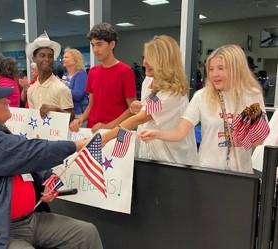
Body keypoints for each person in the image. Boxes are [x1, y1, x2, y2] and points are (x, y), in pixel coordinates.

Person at [0, 77, 103, 249]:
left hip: (28, 220)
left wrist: (49, 180)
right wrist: (76, 145)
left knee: (85, 233)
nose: (7, 100)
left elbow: (25, 162)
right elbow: (29, 152)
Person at [138, 44, 267, 173]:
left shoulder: (252, 95)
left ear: (236, 69)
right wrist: (156, 134)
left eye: (221, 68)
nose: (215, 74)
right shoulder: (201, 96)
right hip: (207, 171)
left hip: (241, 173)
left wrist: (244, 132)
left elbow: (258, 140)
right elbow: (180, 132)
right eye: (211, 69)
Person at [102, 35, 198, 165]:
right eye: (145, 57)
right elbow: (147, 112)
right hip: (149, 153)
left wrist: (104, 138)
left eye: (150, 59)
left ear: (164, 61)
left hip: (172, 160)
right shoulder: (148, 81)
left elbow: (141, 118)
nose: (144, 63)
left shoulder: (171, 94)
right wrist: (141, 107)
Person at [69, 22, 136, 132]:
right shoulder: (93, 71)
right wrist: (80, 120)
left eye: (99, 44)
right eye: (93, 45)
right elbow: (91, 105)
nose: (95, 50)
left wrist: (107, 126)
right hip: (92, 130)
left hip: (114, 133)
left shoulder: (125, 71)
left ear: (112, 44)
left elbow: (132, 109)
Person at [26, 33, 74, 118]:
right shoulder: (31, 90)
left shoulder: (61, 88)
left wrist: (57, 110)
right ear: (34, 59)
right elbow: (33, 118)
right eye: (42, 55)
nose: (47, 59)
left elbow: (71, 118)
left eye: (50, 56)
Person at [62, 47, 89, 117]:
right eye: (63, 57)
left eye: (66, 57)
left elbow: (78, 95)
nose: (63, 59)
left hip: (79, 114)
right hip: (67, 113)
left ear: (75, 60)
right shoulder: (65, 75)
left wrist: (62, 87)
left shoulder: (81, 74)